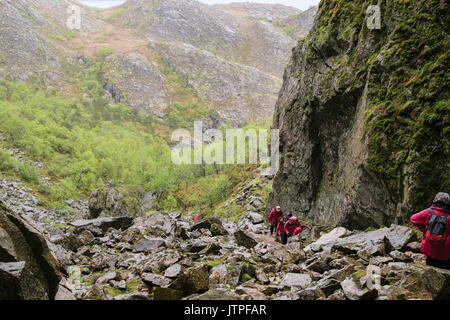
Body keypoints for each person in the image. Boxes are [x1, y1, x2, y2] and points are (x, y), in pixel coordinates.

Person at [411, 192, 450, 270]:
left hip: (430, 249)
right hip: (445, 252)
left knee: (430, 271)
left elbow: (413, 219)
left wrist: (425, 230)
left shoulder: (428, 212)